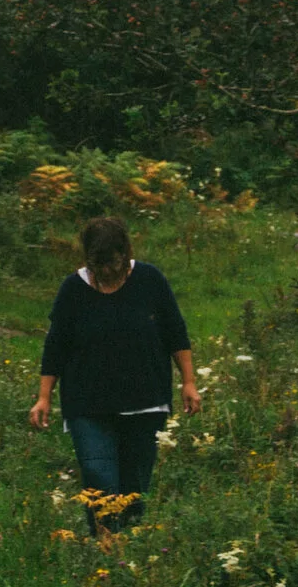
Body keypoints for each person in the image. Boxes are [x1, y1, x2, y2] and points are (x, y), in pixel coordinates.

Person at [29, 211, 201, 532]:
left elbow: (175, 333)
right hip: (87, 405)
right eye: (100, 264)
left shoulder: (150, 281)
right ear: (88, 258)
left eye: (114, 263)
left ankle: (127, 553)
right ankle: (106, 551)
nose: (107, 271)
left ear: (127, 254)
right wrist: (44, 398)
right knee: (99, 479)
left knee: (135, 489)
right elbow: (56, 346)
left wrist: (188, 382)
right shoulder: (72, 289)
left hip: (145, 401)